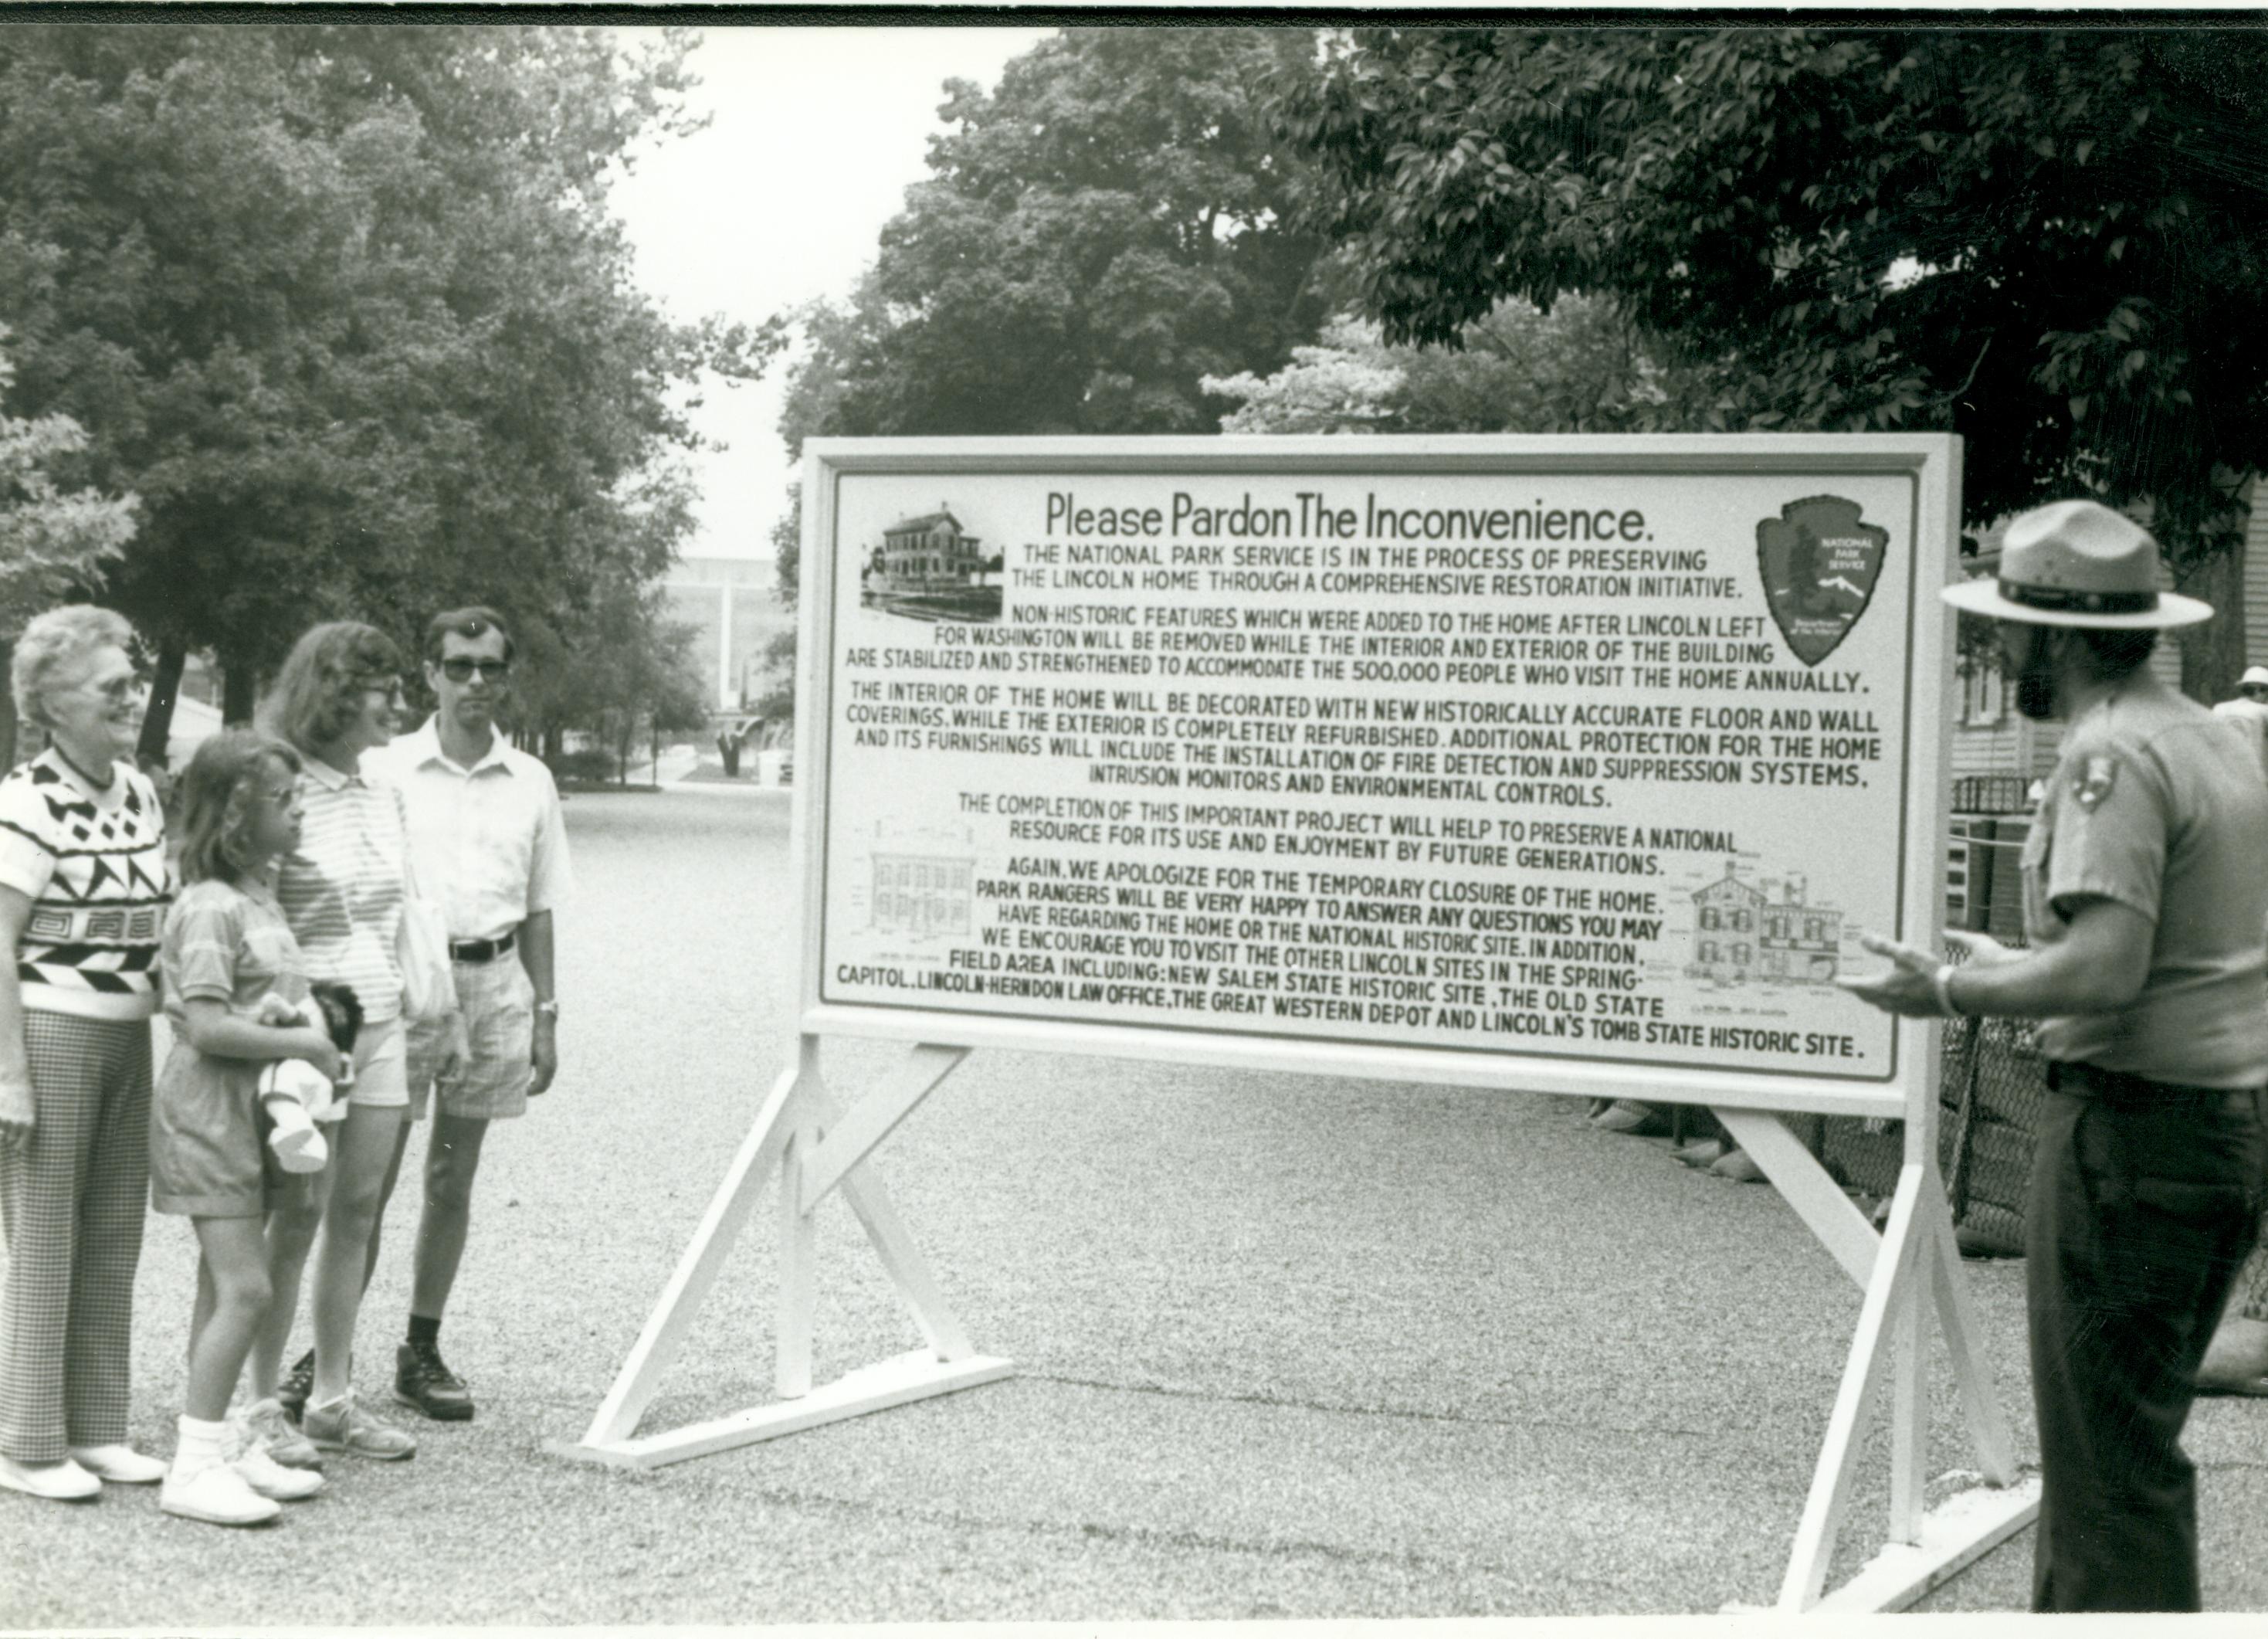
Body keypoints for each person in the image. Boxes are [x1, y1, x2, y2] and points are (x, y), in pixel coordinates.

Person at [1841, 498, 2268, 1613]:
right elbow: (2159, 946)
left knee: (2105, 1473)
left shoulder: (2108, 753)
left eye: (2011, 625)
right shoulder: (2208, 737)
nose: (1999, 645)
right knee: (2128, 1444)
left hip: (2130, 1133)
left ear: (2064, 637)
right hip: (2214, 1123)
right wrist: (2017, 957)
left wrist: (1946, 986)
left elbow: (2105, 970)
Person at [364, 606, 570, 1422]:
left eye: (490, 666)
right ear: (429, 673)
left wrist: (547, 1014)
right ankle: (324, 1351)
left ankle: (421, 1345)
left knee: (452, 1176)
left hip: (492, 984)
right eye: (459, 666)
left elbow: (541, 907)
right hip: (404, 983)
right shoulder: (386, 768)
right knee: (365, 1183)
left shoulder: (532, 781)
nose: (475, 681)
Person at [0, 605, 173, 1500]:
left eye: (131, 685)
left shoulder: (138, 790)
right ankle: (29, 1440)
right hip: (52, 1032)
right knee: (44, 1237)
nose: (129, 700)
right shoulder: (26, 799)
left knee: (112, 1233)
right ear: (52, 700)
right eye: (110, 688)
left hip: (128, 1032)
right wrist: (10, 1074)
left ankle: (99, 1426)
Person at [148, 731, 334, 1524]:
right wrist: (303, 1040)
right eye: (282, 798)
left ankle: (220, 1441)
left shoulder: (260, 898)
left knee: (221, 1285)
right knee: (249, 1287)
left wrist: (277, 1013)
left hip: (251, 1116)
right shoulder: (208, 907)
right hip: (209, 1117)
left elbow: (238, 1008)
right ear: (234, 813)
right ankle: (191, 1465)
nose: (298, 809)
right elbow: (206, 1028)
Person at [253, 622, 426, 1464]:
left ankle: (330, 1400)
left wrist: (438, 1005)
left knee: (357, 1211)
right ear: (333, 691)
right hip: (308, 1026)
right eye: (381, 686)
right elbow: (252, 911)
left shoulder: (385, 793)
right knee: (295, 1214)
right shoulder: (280, 788)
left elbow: (401, 913)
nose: (399, 701)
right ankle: (258, 1412)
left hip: (384, 1019)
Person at [2211, 663, 2268, 781]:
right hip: (2255, 778)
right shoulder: (2263, 711)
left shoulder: (2219, 708)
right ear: (2260, 690)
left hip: (2223, 775)